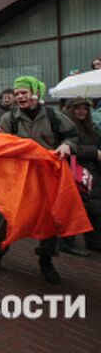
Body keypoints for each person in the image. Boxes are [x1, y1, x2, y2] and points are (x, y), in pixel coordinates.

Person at [0, 76, 78, 284]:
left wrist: (68, 145)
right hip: (17, 178)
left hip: (46, 177)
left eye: (23, 92)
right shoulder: (9, 119)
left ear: (35, 93)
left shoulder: (53, 116)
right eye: (16, 93)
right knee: (6, 215)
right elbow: (0, 145)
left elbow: (73, 135)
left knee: (48, 217)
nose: (19, 97)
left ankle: (46, 260)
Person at [60, 98, 100, 254]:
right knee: (75, 208)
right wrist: (94, 152)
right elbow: (71, 148)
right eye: (77, 108)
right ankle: (66, 242)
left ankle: (94, 241)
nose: (82, 111)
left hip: (90, 172)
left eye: (85, 108)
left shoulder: (89, 126)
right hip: (76, 172)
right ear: (70, 109)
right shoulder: (67, 128)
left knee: (94, 208)